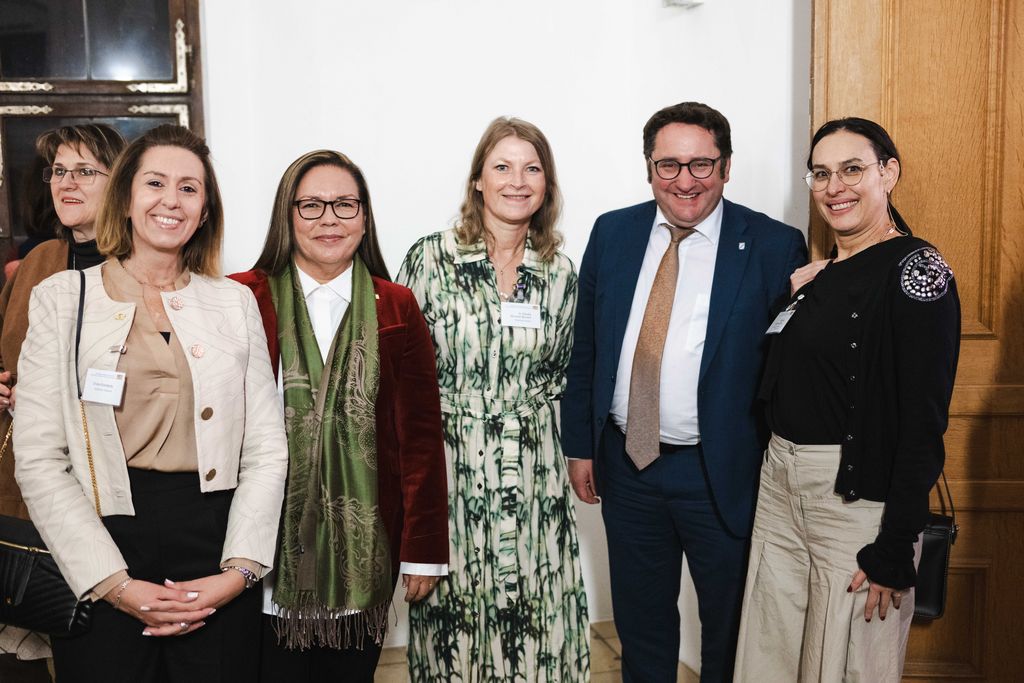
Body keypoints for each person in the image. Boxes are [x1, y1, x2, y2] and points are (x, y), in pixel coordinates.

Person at [12, 124, 288, 683]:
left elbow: (266, 448)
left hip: (214, 538)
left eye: (190, 188)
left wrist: (238, 573)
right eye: (155, 182)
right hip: (101, 540)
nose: (171, 199)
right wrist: (112, 583)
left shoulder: (234, 302)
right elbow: (39, 456)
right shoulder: (61, 300)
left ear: (205, 210)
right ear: (128, 199)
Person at [561, 101, 807, 681]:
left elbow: (786, 367)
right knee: (642, 624)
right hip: (628, 465)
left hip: (719, 471)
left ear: (726, 167)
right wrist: (580, 445)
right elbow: (586, 349)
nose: (685, 180)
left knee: (729, 625)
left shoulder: (773, 245)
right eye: (668, 165)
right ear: (649, 168)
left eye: (701, 164)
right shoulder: (613, 232)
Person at [733, 117, 961, 682]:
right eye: (822, 174)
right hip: (781, 487)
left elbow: (923, 421)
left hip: (852, 501)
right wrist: (799, 295)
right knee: (772, 655)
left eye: (852, 169)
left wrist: (894, 547)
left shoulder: (918, 270)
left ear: (889, 173)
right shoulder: (818, 275)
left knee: (849, 663)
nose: (835, 187)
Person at [229, 149, 449, 682]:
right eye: (311, 205)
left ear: (365, 216)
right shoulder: (240, 296)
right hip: (256, 552)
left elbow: (419, 436)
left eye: (345, 204)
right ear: (288, 215)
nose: (329, 218)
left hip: (367, 548)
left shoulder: (396, 305)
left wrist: (423, 551)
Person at [397, 117, 590, 681]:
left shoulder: (559, 273)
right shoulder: (429, 260)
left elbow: (564, 371)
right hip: (450, 472)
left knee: (539, 610)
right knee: (452, 619)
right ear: (477, 180)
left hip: (533, 475)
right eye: (502, 166)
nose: (517, 180)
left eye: (532, 168)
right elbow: (403, 377)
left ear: (547, 185)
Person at [0, 123, 126, 674]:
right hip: (27, 480)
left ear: (119, 181)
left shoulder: (145, 265)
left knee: (99, 646)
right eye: (58, 171)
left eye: (84, 171)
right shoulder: (35, 262)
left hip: (113, 482)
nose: (66, 183)